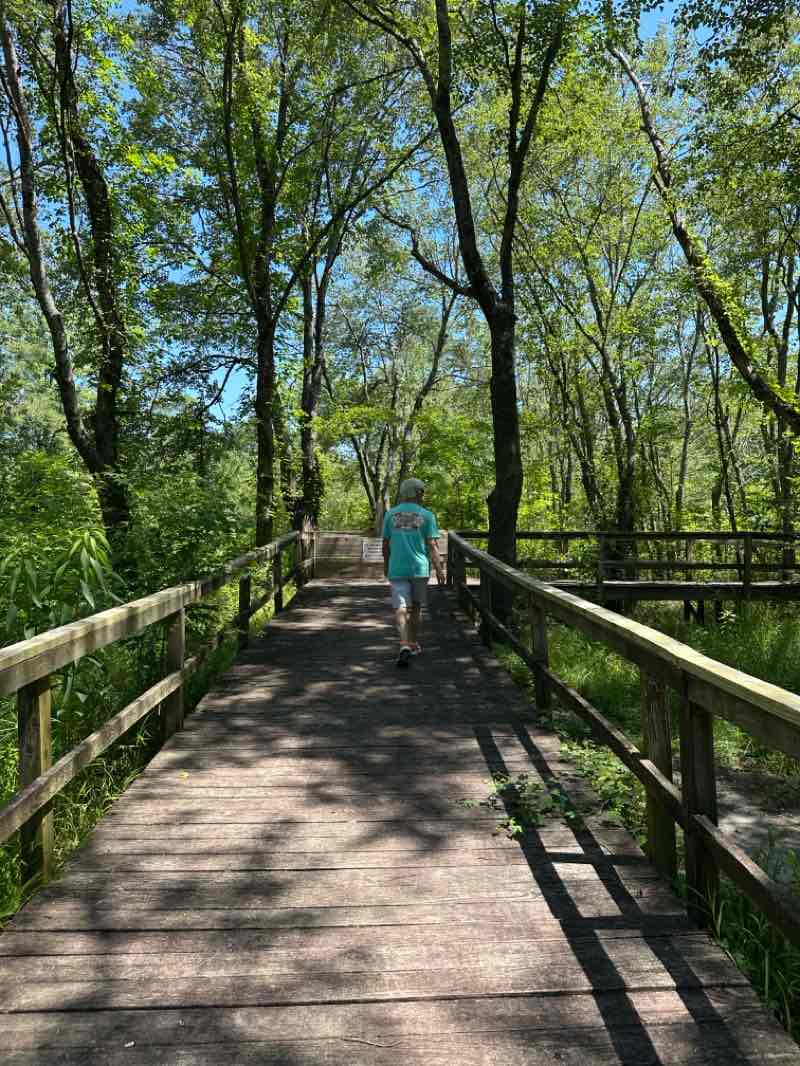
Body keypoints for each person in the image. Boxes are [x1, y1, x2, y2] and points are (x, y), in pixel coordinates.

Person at [382, 477, 445, 668]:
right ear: (416, 492)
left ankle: (403, 644)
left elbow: (385, 545)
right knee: (417, 607)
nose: (423, 495)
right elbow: (432, 545)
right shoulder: (427, 515)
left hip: (397, 567)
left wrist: (386, 565)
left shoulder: (390, 515)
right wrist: (440, 570)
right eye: (422, 491)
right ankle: (413, 643)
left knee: (400, 607)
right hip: (419, 568)